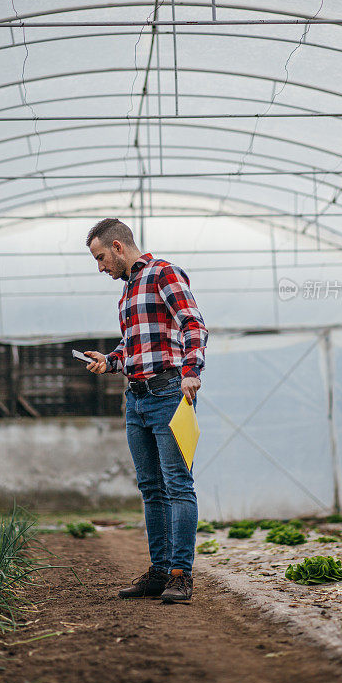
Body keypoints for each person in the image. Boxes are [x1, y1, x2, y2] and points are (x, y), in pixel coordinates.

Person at [83, 218, 208, 604]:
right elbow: (134, 346)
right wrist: (110, 359)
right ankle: (158, 571)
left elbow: (193, 324)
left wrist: (191, 371)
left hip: (169, 392)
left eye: (102, 258)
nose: (101, 267)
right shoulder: (127, 293)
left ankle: (180, 575)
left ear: (118, 246)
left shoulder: (161, 274)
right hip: (135, 399)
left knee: (177, 484)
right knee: (151, 489)